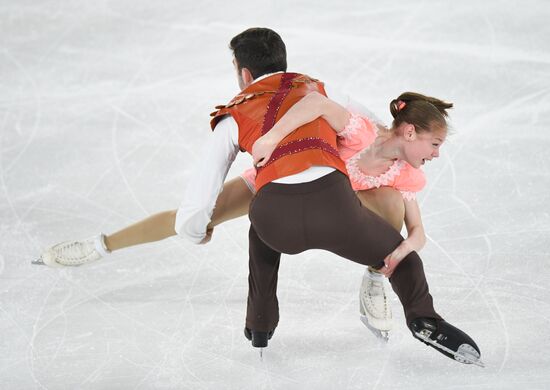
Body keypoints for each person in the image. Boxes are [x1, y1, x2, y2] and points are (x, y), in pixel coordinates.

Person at [36, 27, 483, 366]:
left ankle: (358, 283)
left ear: (243, 73)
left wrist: (197, 228)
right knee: (218, 212)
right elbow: (328, 110)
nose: (436, 154)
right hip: (306, 188)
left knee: (370, 207)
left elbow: (410, 220)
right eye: (434, 145)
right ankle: (101, 245)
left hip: (308, 201)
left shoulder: (397, 168)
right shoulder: (337, 104)